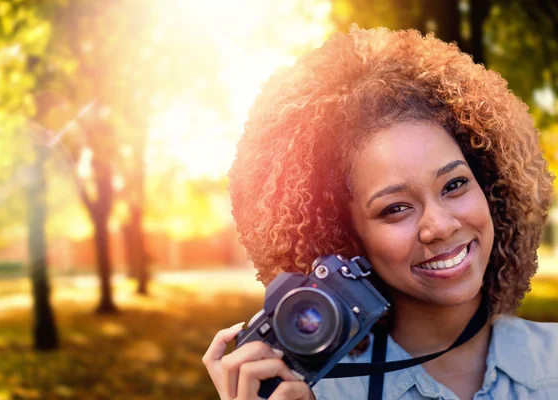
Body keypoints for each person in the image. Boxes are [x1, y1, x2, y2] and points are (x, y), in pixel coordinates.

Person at [202, 26, 558, 400]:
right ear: (346, 237)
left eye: (454, 185)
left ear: (489, 184)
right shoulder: (308, 394)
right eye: (396, 208)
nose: (438, 225)